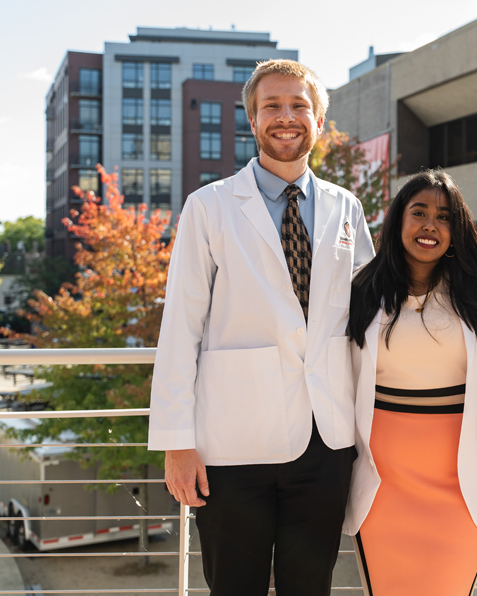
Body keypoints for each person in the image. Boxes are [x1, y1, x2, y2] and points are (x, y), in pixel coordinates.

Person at [148, 59, 375, 595]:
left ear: (318, 120)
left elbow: (369, 312)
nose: (286, 116)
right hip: (232, 446)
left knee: (309, 586)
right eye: (271, 105)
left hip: (326, 440)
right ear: (252, 120)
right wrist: (177, 443)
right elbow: (180, 326)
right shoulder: (209, 206)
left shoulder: (347, 208)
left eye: (300, 105)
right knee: (234, 587)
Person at [343, 170, 477, 594]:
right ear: (399, 220)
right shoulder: (362, 289)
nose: (430, 226)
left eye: (444, 217)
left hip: (462, 481)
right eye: (419, 213)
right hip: (383, 484)